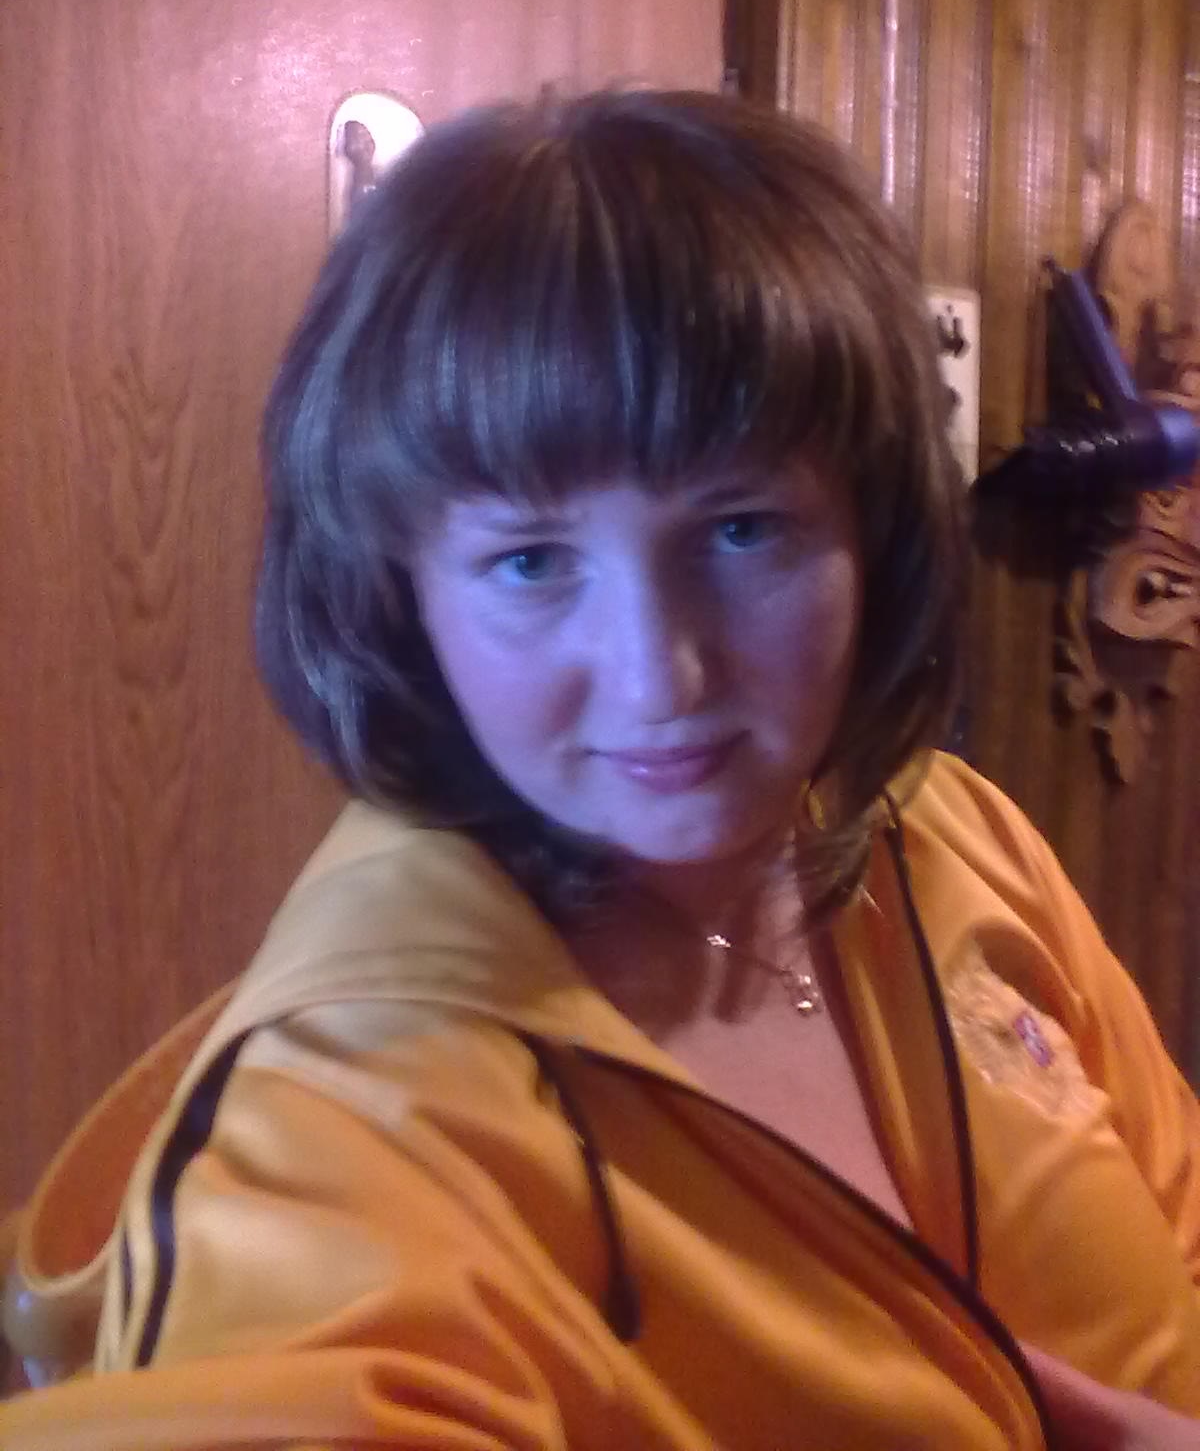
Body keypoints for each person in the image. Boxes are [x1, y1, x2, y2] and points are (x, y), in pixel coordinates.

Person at [3, 89, 1199, 1449]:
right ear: (403, 598)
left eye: (741, 530)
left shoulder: (954, 836)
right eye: (531, 561)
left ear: (874, 529)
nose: (659, 679)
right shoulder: (352, 1111)